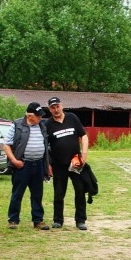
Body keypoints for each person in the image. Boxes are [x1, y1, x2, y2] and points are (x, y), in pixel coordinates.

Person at [44, 96, 90, 230]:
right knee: (59, 193)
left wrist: (84, 155)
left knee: (80, 191)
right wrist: (48, 164)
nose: (56, 109)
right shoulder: (47, 124)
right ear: (49, 109)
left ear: (62, 106)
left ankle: (80, 220)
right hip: (58, 164)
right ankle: (58, 220)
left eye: (57, 106)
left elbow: (84, 135)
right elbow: (45, 146)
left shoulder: (72, 118)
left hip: (75, 162)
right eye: (53, 107)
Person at [4, 102, 51, 230]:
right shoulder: (17, 125)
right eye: (38, 116)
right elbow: (7, 145)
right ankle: (13, 219)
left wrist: (47, 165)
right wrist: (14, 161)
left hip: (39, 164)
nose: (40, 118)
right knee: (17, 193)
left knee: (37, 194)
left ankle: (38, 220)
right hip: (22, 165)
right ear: (30, 115)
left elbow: (46, 147)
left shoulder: (42, 126)